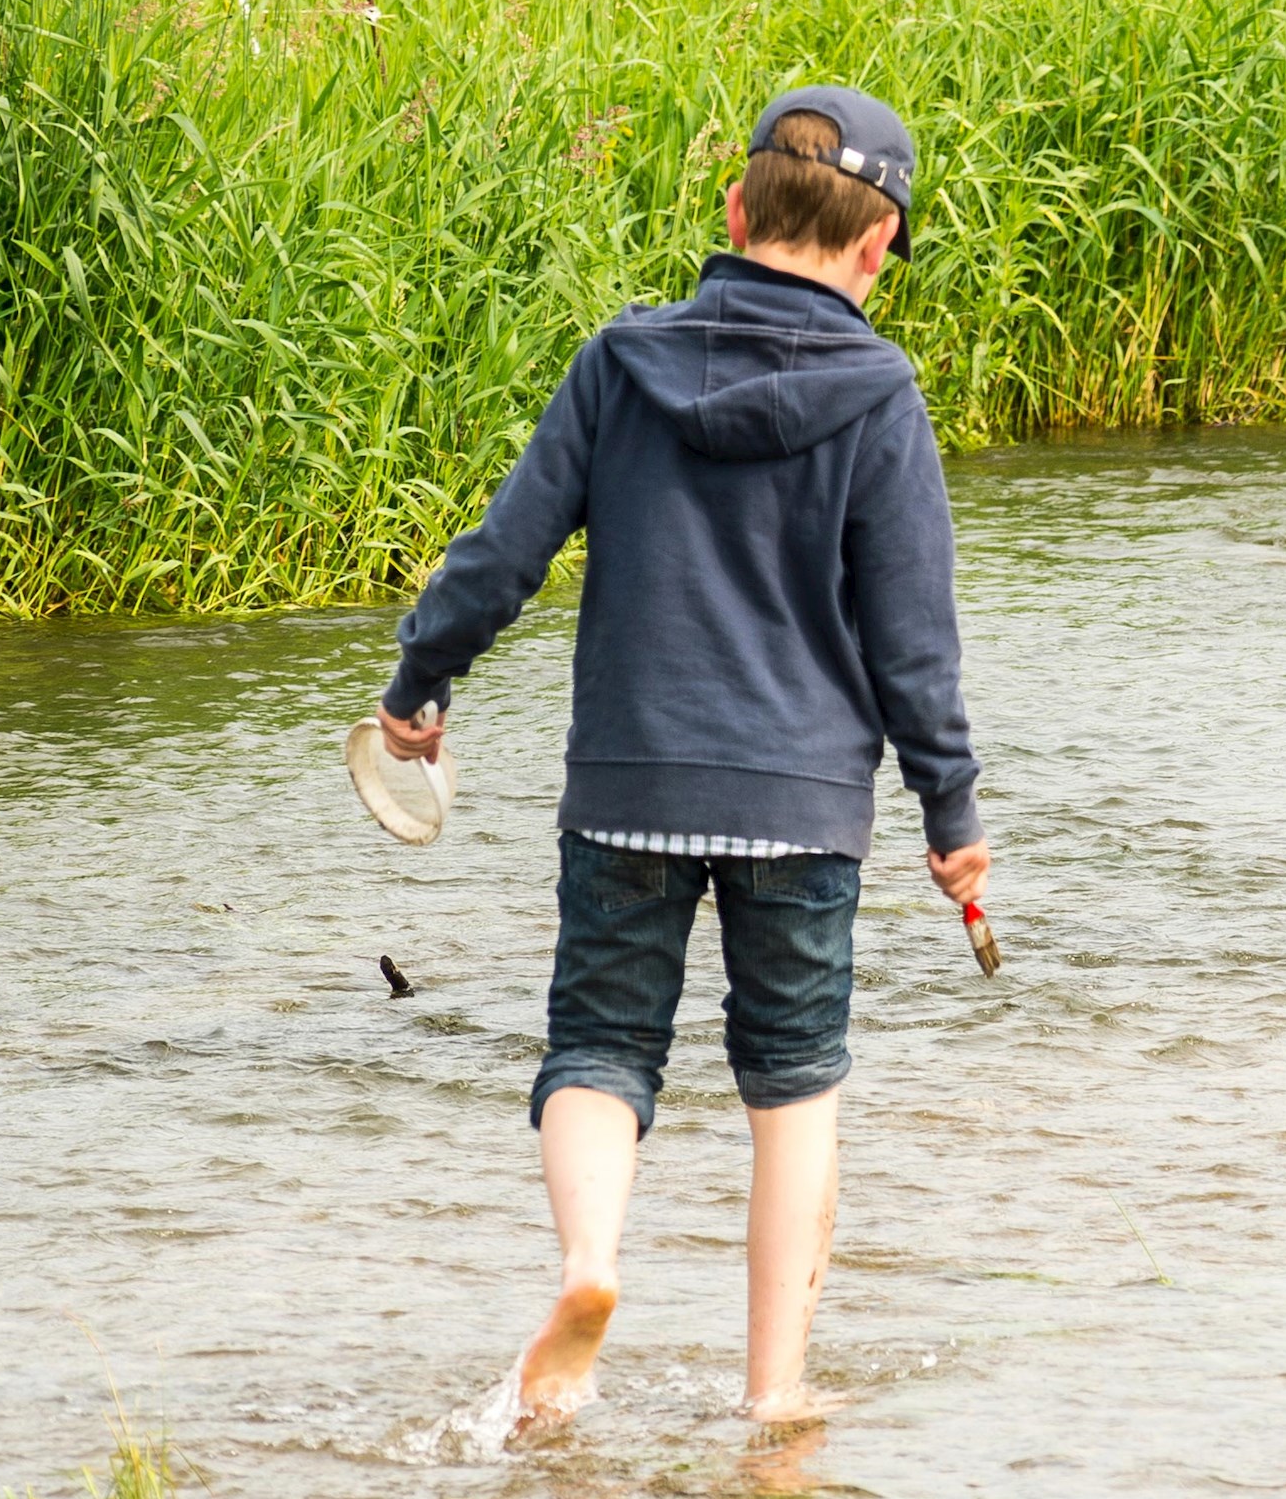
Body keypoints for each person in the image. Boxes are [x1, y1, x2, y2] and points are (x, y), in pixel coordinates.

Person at [360, 90, 988, 1429]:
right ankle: (774, 1405)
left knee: (597, 1047)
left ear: (734, 212)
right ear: (879, 249)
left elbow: (501, 556)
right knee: (796, 1084)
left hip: (630, 787)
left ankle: (590, 1271)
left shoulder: (616, 363)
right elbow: (912, 633)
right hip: (806, 807)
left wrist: (421, 682)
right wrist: (953, 811)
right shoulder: (880, 394)